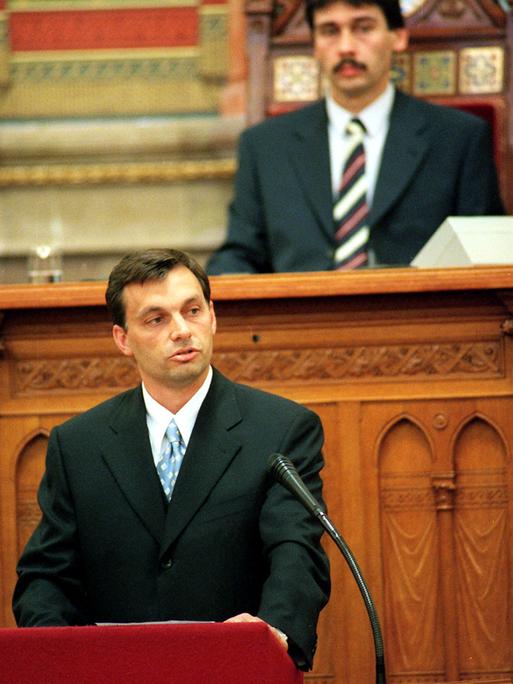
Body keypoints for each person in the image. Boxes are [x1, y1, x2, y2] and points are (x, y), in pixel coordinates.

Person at [12, 248, 330, 671]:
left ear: (213, 316)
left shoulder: (282, 430)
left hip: (234, 670)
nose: (182, 330)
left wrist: (270, 633)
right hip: (112, 673)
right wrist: (59, 658)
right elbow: (46, 578)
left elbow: (298, 552)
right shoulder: (79, 445)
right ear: (122, 339)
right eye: (156, 319)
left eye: (192, 310)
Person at [206, 0, 504, 274]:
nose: (346, 46)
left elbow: (486, 254)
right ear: (315, 45)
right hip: (299, 323)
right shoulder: (265, 146)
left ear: (397, 37)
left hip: (418, 321)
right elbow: (239, 254)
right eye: (329, 31)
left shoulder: (458, 139)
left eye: (363, 28)